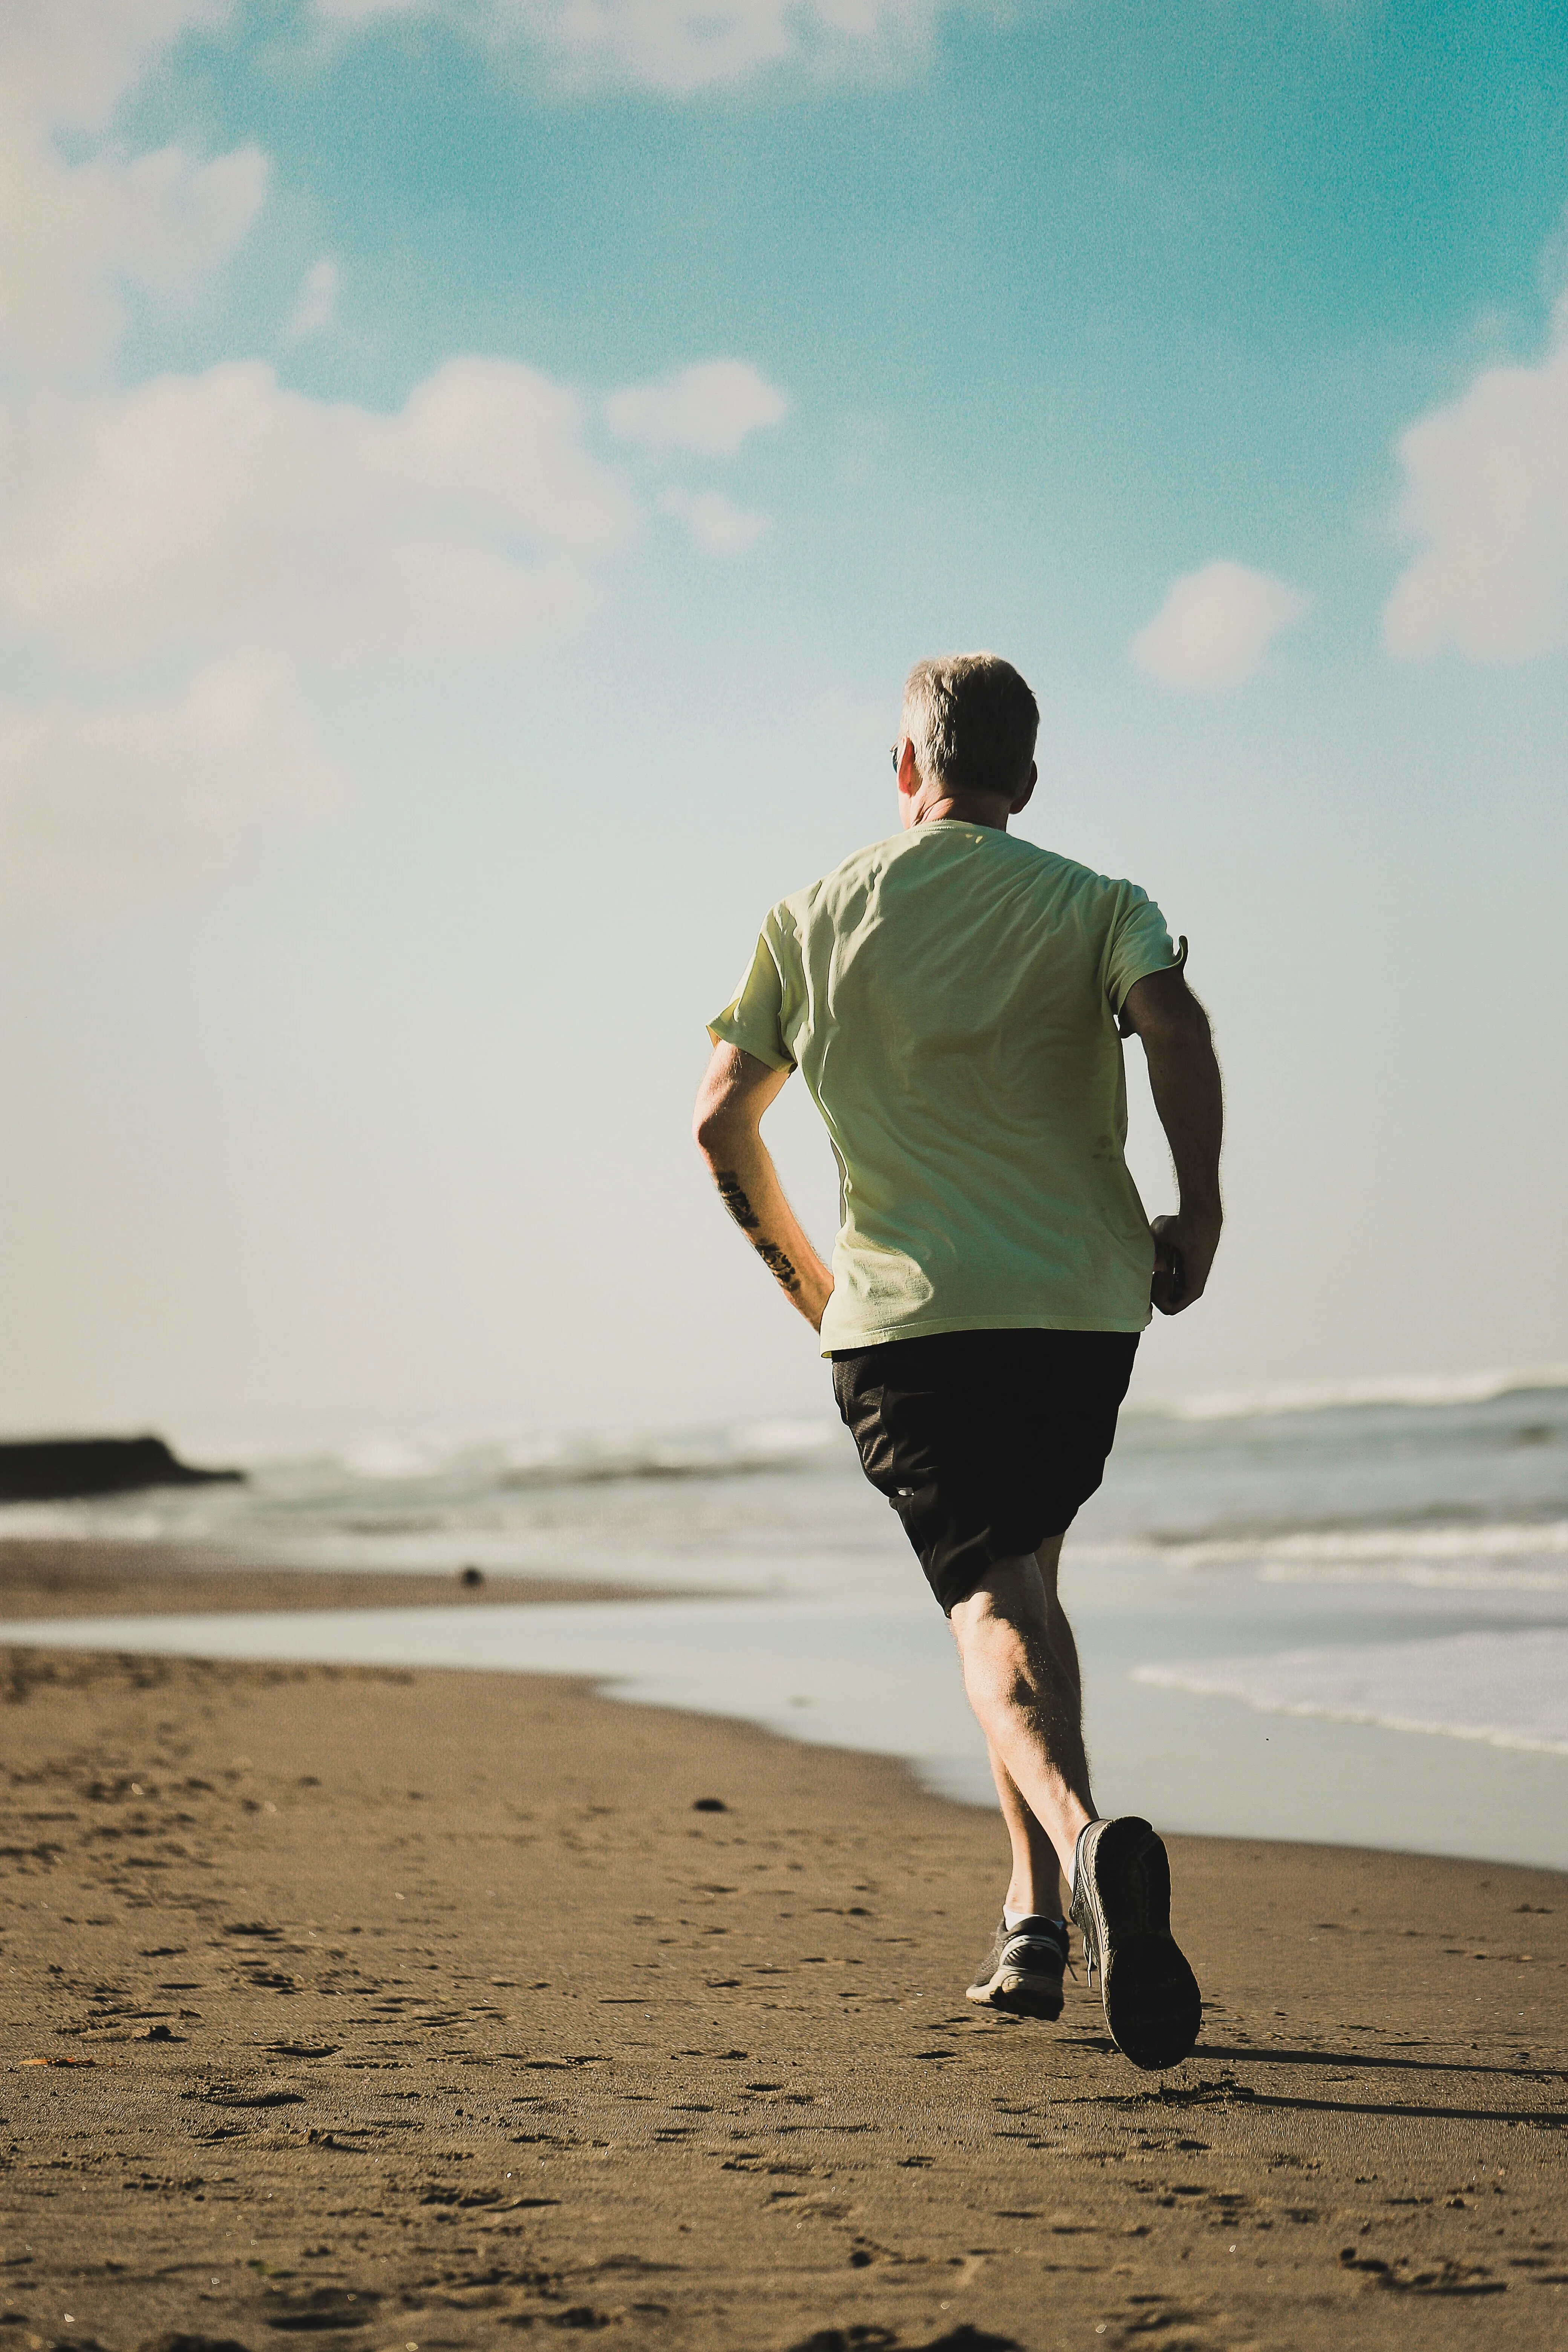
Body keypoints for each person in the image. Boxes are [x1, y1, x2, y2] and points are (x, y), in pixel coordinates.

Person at [692, 653, 1223, 2072]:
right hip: (1081, 1310)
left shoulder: (809, 920)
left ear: (904, 767)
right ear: (1026, 782)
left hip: (910, 1325)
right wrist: (1203, 1214)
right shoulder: (1100, 902)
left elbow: (719, 1126)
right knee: (1025, 1583)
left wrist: (817, 1289)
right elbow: (1176, 1026)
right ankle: (1034, 1921)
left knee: (988, 1604)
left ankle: (1084, 1845)